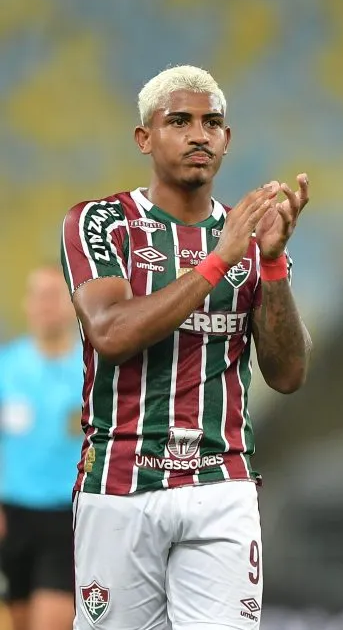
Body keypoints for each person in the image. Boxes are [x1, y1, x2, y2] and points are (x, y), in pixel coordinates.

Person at [59, 65, 312, 629]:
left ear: (227, 139)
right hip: (122, 481)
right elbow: (112, 334)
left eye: (212, 122)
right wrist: (220, 259)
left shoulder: (251, 235)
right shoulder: (101, 223)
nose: (199, 134)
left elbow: (288, 373)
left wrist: (270, 263)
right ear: (144, 138)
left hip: (221, 482)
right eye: (180, 121)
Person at [0, 266, 82, 630]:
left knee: (50, 622)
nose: (46, 305)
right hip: (11, 516)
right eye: (39, 295)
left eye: (54, 295)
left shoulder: (92, 369)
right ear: (27, 305)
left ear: (70, 305)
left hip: (66, 516)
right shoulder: (7, 367)